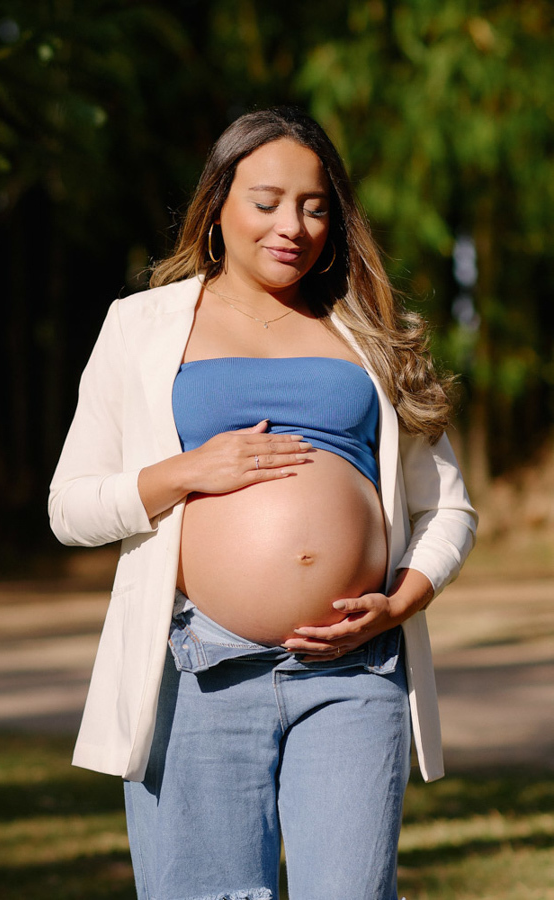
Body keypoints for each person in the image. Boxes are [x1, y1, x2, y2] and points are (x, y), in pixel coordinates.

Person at [49, 106, 477, 900]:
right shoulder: (140, 327)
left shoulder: (370, 330)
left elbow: (448, 508)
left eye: (316, 206)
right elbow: (70, 506)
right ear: (218, 207)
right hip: (198, 669)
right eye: (267, 200)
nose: (294, 226)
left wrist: (401, 602)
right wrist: (184, 471)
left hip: (353, 671)